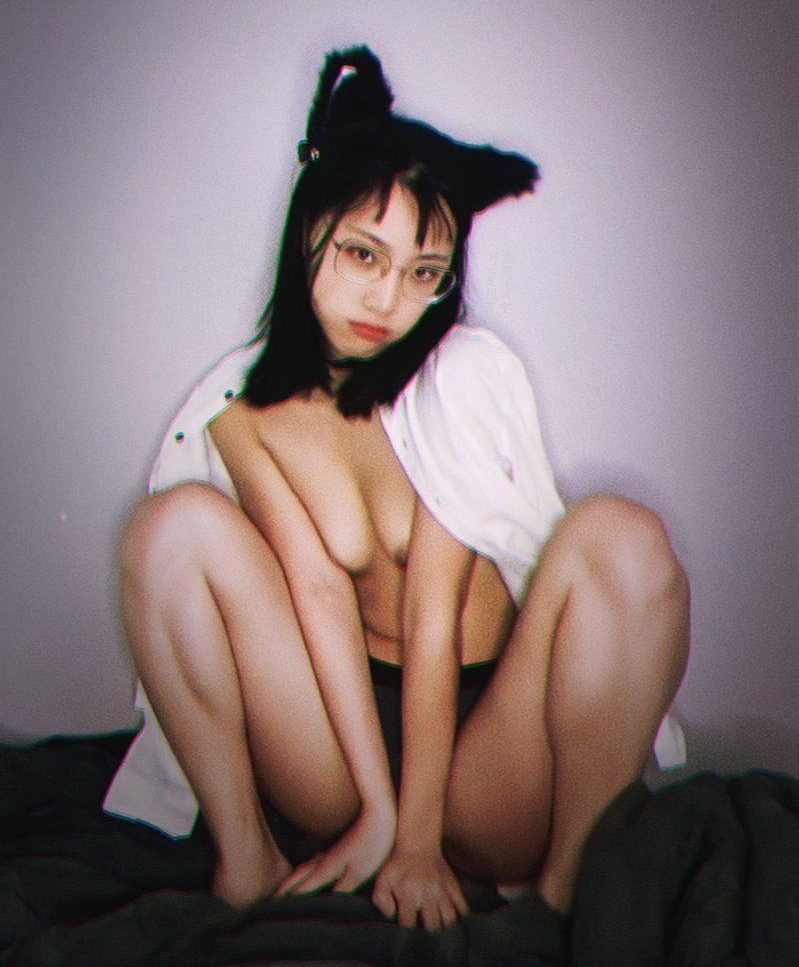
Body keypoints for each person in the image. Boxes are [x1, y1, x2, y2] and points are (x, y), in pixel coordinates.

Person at [103, 46, 690, 934]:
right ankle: (246, 858)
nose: (386, 299)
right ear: (310, 232)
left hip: (486, 748)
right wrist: (377, 816)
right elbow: (315, 591)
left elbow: (432, 613)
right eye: (361, 255)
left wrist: (418, 839)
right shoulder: (240, 410)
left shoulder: (454, 380)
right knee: (166, 529)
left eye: (422, 272)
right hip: (341, 754)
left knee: (624, 533)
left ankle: (565, 895)